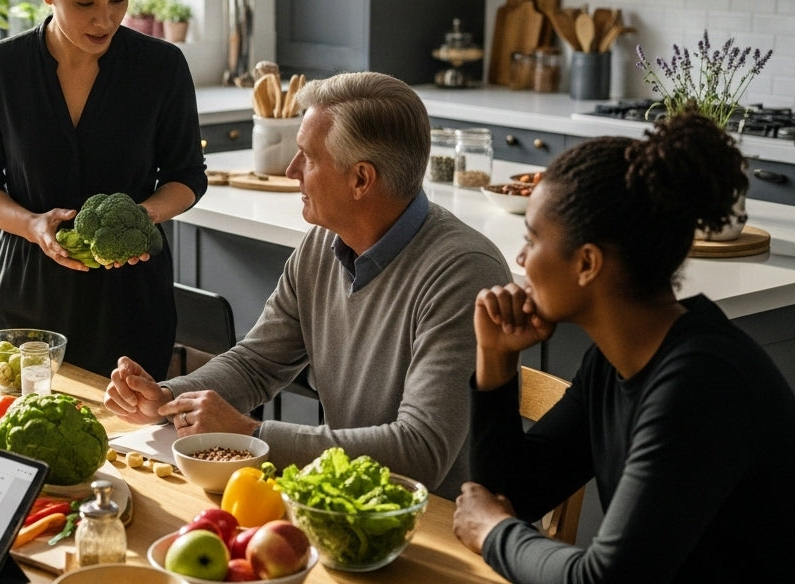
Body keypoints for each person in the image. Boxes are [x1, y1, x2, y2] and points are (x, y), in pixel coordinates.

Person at [104, 72, 511, 495]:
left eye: (308, 157)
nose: (291, 170)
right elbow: (255, 363)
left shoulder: (464, 274)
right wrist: (166, 398)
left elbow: (419, 451)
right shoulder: (324, 242)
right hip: (340, 499)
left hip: (437, 526)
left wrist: (253, 434)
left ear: (360, 180)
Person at [454, 112, 795, 582]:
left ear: (588, 263)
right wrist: (496, 360)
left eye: (532, 239)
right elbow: (510, 495)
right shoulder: (614, 362)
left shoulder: (701, 384)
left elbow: (606, 579)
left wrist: (495, 533)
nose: (520, 259)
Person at [0, 0, 207, 379]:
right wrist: (33, 225)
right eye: (85, 3)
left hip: (132, 302)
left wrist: (142, 215)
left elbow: (187, 175)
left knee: (131, 443)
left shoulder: (161, 67)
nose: (105, 20)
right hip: (29, 300)